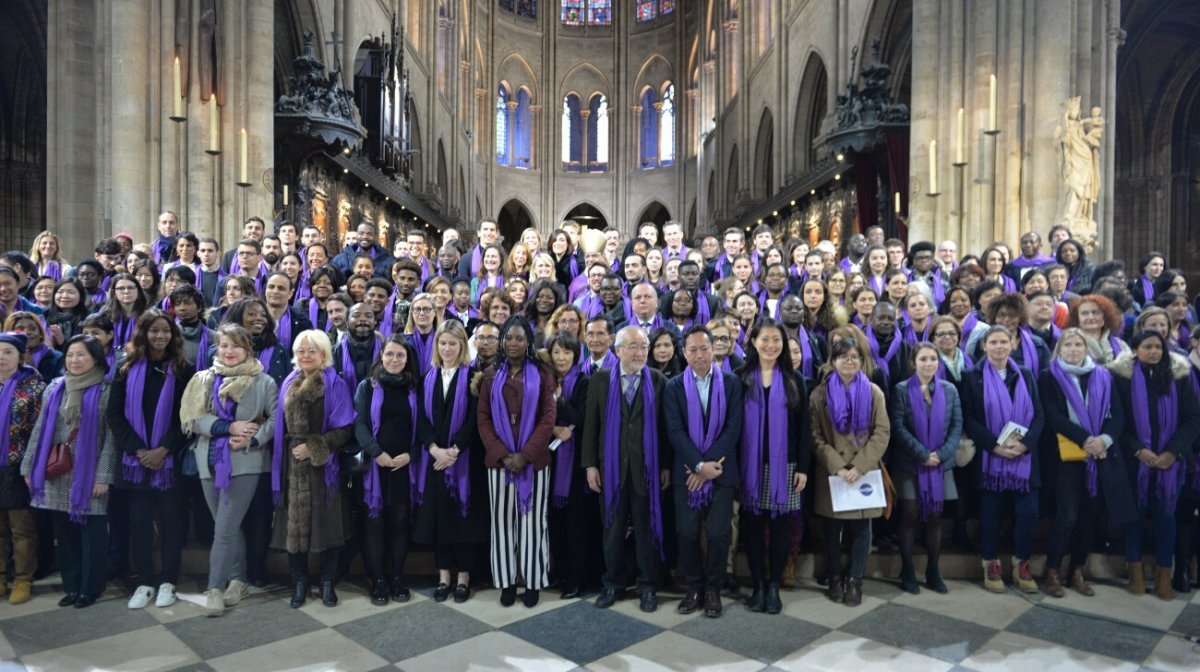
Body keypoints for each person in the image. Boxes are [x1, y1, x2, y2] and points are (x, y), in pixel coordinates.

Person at [179, 324, 277, 616]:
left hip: (246, 460)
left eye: (236, 346)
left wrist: (253, 437)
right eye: (223, 346)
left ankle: (214, 589)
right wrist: (228, 427)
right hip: (207, 460)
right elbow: (193, 420)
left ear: (248, 350)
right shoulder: (202, 380)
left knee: (223, 530)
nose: (229, 351)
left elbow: (273, 420)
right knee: (227, 527)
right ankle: (238, 579)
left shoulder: (264, 381)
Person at [21, 335, 116, 608]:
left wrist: (103, 476)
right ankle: (72, 586)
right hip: (56, 471)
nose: (74, 360)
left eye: (81, 355)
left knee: (93, 535)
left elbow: (112, 438)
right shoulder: (54, 387)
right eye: (70, 355)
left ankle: (90, 588)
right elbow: (39, 430)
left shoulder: (107, 390)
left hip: (89, 472)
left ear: (96, 359)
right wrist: (30, 469)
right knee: (65, 535)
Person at [1038, 327, 1134, 598]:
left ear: (1087, 349)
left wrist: (1103, 440)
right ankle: (1053, 571)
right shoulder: (1050, 376)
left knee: (1089, 518)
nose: (1073, 350)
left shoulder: (1103, 376)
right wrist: (1086, 439)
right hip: (1066, 457)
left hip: (1098, 456)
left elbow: (1118, 416)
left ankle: (1077, 570)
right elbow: (1053, 416)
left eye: (1079, 345)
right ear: (1059, 349)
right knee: (1067, 516)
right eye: (1068, 345)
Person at [107, 310, 193, 610]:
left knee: (172, 523)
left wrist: (164, 449)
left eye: (166, 331)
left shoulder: (184, 369)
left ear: (173, 335)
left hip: (169, 462)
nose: (160, 336)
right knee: (140, 523)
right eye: (154, 330)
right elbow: (114, 414)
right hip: (136, 462)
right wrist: (139, 451)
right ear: (143, 333)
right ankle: (144, 582)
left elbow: (188, 416)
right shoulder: (125, 367)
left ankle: (168, 580)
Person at [581, 325, 669, 612]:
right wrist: (591, 465)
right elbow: (590, 428)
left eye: (644, 347)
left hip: (647, 470)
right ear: (617, 350)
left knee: (647, 530)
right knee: (612, 530)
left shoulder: (657, 380)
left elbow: (664, 430)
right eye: (633, 347)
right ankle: (613, 584)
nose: (640, 352)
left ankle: (647, 586)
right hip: (611, 470)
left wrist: (665, 465)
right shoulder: (600, 381)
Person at [270, 330, 356, 608]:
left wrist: (315, 447)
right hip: (290, 466)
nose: (306, 356)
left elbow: (345, 428)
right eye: (301, 351)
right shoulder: (288, 382)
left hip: (323, 467)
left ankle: (328, 583)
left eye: (312, 351)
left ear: (324, 354)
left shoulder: (335, 384)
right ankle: (299, 583)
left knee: (328, 526)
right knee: (293, 530)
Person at [1112, 330, 1200, 600]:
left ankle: (1164, 574)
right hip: (1134, 462)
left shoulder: (1178, 377)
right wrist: (1138, 449)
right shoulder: (1122, 379)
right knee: (1134, 518)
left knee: (1166, 517)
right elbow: (1118, 420)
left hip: (1169, 465)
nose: (1153, 351)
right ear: (1135, 350)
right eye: (1147, 347)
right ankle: (1136, 573)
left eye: (1158, 347)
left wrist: (1172, 453)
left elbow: (1193, 419)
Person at [663, 326, 744, 619]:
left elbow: (733, 429)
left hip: (721, 472)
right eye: (693, 350)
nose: (699, 355)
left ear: (714, 350)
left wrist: (708, 467)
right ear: (684, 354)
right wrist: (698, 466)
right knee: (686, 533)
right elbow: (675, 431)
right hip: (687, 473)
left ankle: (713, 589)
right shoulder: (672, 386)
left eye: (704, 349)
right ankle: (695, 587)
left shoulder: (732, 383)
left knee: (719, 533)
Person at [477, 316, 556, 608]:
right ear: (502, 341)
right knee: (502, 523)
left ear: (528, 343)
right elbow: (482, 418)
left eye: (519, 339)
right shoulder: (489, 374)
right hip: (499, 463)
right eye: (508, 338)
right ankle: (507, 582)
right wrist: (501, 452)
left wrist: (526, 454)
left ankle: (533, 581)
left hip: (534, 462)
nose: (513, 343)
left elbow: (549, 418)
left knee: (533, 523)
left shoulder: (543, 373)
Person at [961, 325, 1045, 594]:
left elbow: (1039, 416)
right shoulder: (971, 376)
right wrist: (994, 447)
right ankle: (991, 564)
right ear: (984, 346)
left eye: (1003, 342)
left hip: (1023, 458)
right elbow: (970, 419)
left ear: (1012, 345)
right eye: (993, 342)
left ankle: (1021, 564)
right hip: (991, 458)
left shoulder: (1026, 374)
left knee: (1029, 512)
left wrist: (1025, 445)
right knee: (990, 513)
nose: (998, 347)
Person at [810, 337, 890, 607]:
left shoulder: (874, 392)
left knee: (861, 529)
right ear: (833, 361)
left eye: (855, 357)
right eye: (843, 357)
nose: (849, 361)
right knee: (831, 529)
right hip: (832, 473)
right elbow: (815, 436)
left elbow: (882, 432)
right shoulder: (819, 395)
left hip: (863, 472)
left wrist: (859, 466)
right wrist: (839, 466)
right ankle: (834, 578)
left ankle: (855, 580)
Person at [737, 319, 809, 613]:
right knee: (752, 528)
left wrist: (802, 467)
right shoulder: (740, 377)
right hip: (749, 467)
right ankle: (757, 587)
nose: (770, 345)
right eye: (764, 339)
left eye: (776, 340)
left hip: (785, 467)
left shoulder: (795, 380)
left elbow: (804, 429)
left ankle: (775, 587)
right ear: (753, 342)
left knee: (781, 528)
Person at [413, 321, 485, 604]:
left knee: (463, 521)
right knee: (441, 521)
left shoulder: (474, 377)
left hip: (463, 461)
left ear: (462, 345)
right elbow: (420, 418)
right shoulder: (427, 377)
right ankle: (443, 577)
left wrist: (454, 450)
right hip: (435, 460)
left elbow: (474, 419)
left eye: (453, 343)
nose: (447, 348)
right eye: (443, 343)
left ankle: (463, 579)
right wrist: (434, 449)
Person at [890, 343, 963, 594]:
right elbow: (897, 427)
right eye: (923, 359)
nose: (929, 363)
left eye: (933, 359)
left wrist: (940, 455)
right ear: (914, 362)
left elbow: (956, 426)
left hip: (941, 464)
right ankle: (907, 568)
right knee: (910, 513)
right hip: (910, 462)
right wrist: (922, 454)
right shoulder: (901, 390)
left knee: (934, 516)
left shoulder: (950, 390)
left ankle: (933, 569)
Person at [353, 336, 419, 605]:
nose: (394, 360)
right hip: (375, 467)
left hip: (404, 466)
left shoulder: (415, 387)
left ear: (407, 360)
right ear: (381, 357)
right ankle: (378, 579)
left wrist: (411, 456)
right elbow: (359, 425)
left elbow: (423, 426)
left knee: (400, 523)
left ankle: (397, 578)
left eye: (400, 355)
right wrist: (376, 453)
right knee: (374, 523)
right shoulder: (367, 386)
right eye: (389, 354)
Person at [544, 332, 599, 598]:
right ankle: (560, 571)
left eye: (567, 352)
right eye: (556, 352)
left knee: (576, 524)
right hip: (548, 459)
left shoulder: (584, 382)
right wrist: (554, 428)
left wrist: (559, 400)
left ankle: (577, 577)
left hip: (576, 461)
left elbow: (583, 417)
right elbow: (534, 417)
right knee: (554, 521)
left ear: (576, 355)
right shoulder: (543, 381)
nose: (561, 357)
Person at [0, 332, 47, 605]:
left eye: (7, 352)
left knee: (21, 528)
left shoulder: (33, 387)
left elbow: (40, 431)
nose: (2, 357)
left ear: (20, 356)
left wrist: (31, 466)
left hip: (19, 468)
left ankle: (22, 577)